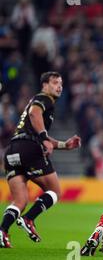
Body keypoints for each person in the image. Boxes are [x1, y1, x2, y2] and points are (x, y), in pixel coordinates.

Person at [0, 72, 81, 248]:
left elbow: (34, 130)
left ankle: (2, 231)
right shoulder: (44, 98)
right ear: (45, 85)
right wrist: (44, 137)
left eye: (61, 83)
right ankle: (29, 219)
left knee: (20, 201)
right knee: (55, 191)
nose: (59, 86)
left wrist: (63, 145)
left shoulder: (40, 101)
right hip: (29, 149)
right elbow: (34, 114)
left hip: (13, 150)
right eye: (54, 83)